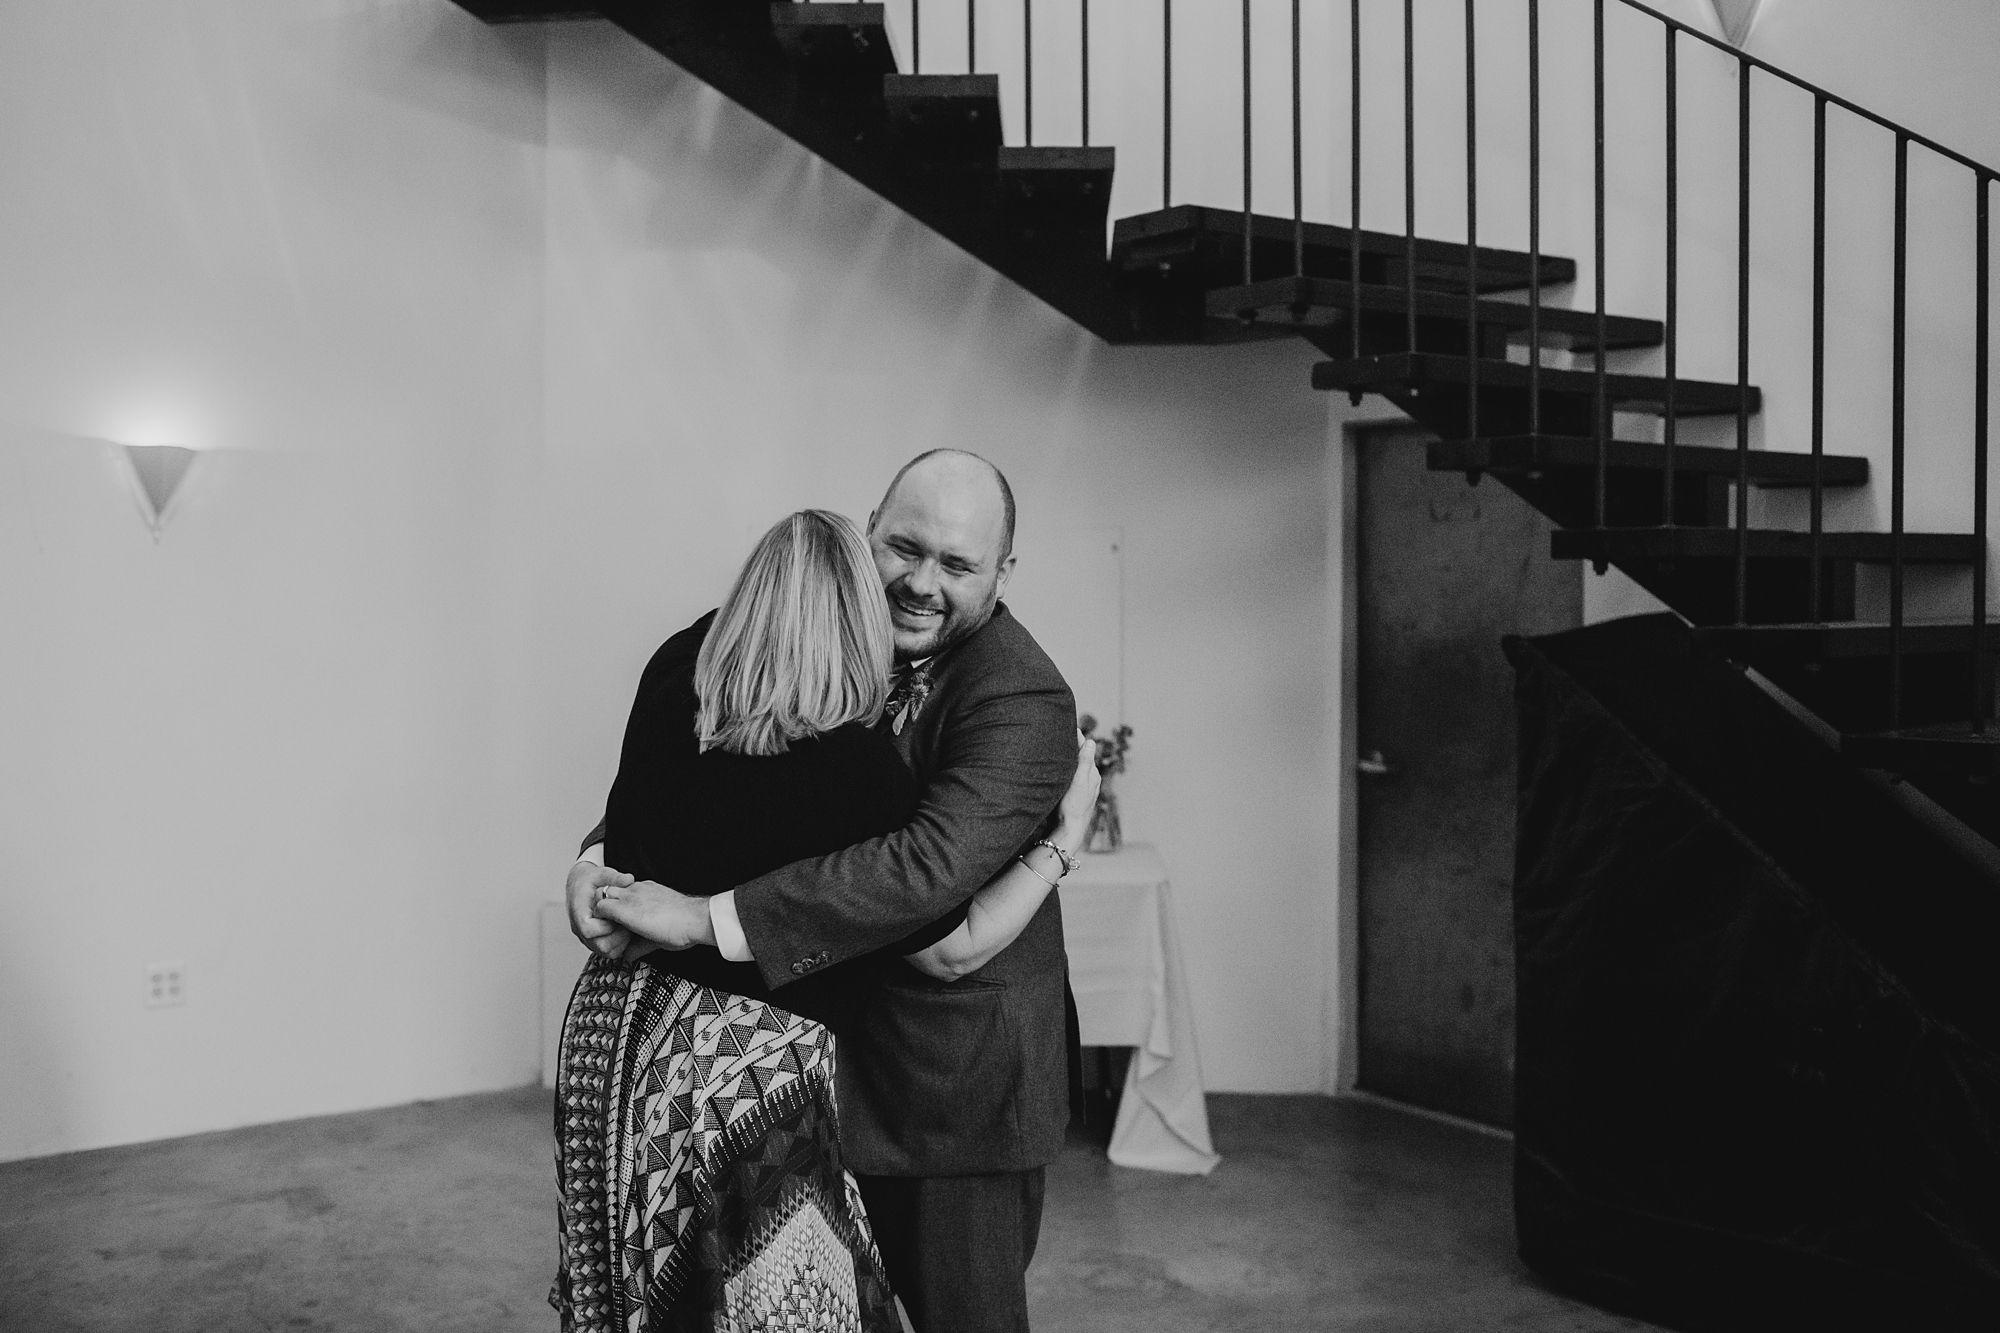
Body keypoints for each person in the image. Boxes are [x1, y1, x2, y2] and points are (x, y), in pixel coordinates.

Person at [572, 450, 1083, 1333]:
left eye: (957, 564)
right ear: (869, 527)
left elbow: (919, 873)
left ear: (1003, 573)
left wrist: (701, 915)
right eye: (904, 547)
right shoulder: (788, 622)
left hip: (941, 1089)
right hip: (785, 1070)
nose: (921, 583)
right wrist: (598, 859)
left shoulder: (1022, 696)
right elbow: (696, 758)